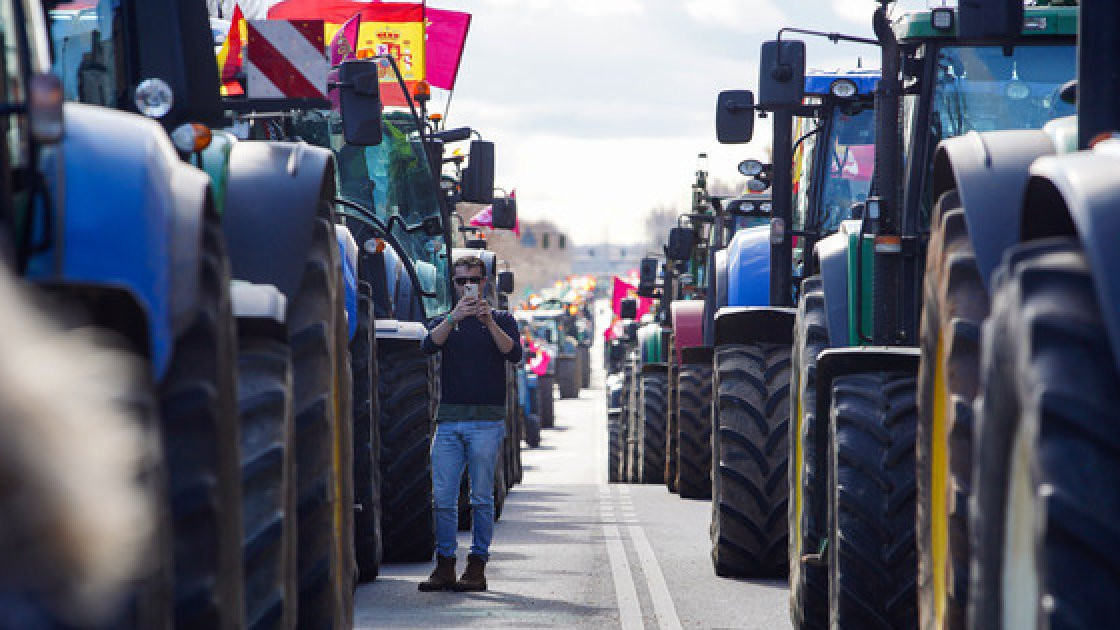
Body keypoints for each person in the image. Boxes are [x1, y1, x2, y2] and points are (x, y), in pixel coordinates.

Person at [418, 256, 522, 592]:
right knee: (442, 498)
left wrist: (488, 321)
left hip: (486, 423)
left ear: (484, 282)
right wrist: (454, 317)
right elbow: (428, 345)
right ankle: (445, 565)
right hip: (449, 423)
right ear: (454, 284)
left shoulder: (502, 319)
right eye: (461, 281)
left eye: (473, 280)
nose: (467, 287)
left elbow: (514, 354)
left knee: (481, 499)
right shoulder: (447, 321)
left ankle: (477, 567)